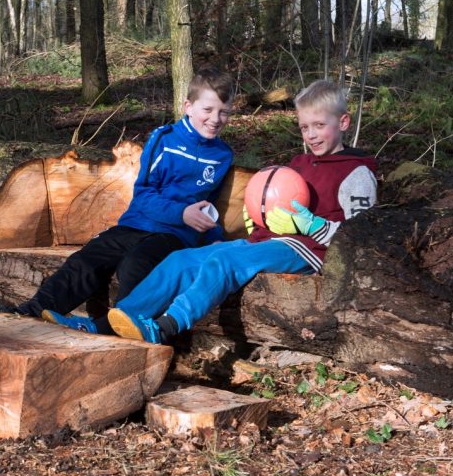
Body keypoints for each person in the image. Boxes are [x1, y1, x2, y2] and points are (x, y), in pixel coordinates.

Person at [105, 79, 378, 344]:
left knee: (225, 261)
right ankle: (124, 316)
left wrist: (313, 226)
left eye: (320, 125)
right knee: (183, 259)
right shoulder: (299, 162)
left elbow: (361, 239)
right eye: (304, 127)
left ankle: (168, 325)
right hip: (270, 241)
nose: (311, 135)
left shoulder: (356, 171)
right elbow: (281, 199)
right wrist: (259, 220)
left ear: (343, 122)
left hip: (306, 250)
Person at [0, 65, 236, 334]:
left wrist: (215, 237)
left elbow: (212, 206)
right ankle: (28, 314)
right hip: (137, 223)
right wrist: (181, 212)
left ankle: (117, 331)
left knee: (135, 265)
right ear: (188, 106)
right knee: (86, 259)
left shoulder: (223, 155)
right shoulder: (164, 140)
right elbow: (144, 195)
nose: (215, 118)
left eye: (224, 112)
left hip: (173, 236)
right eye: (208, 110)